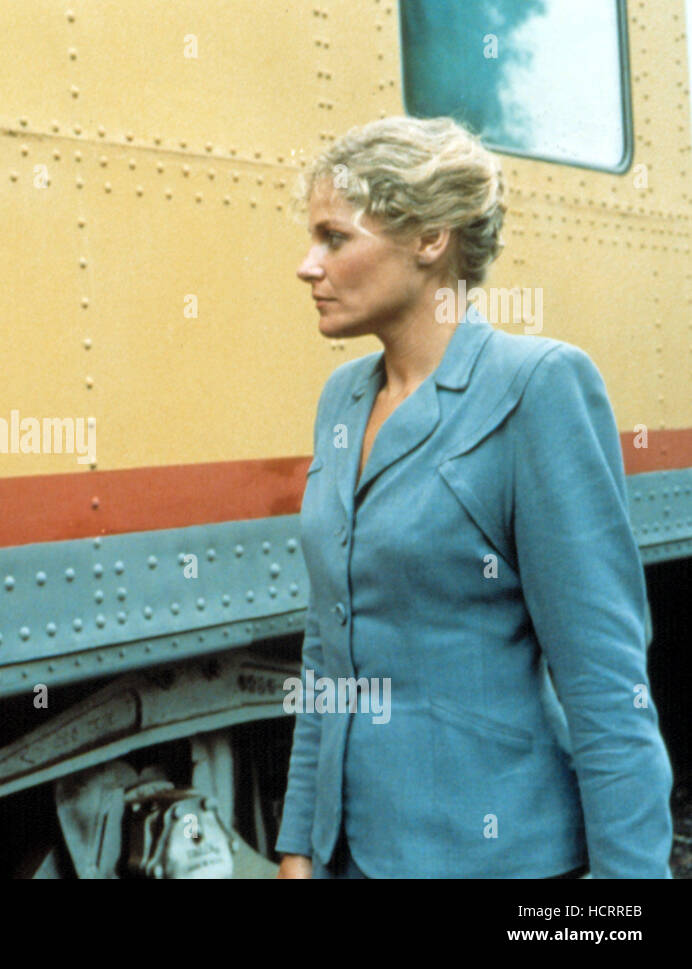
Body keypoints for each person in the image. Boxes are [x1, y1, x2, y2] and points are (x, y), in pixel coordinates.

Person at [274, 116, 673, 878]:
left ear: (430, 239)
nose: (307, 265)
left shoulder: (537, 388)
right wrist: (300, 844)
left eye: (334, 237)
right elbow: (328, 648)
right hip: (351, 858)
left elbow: (606, 687)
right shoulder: (341, 401)